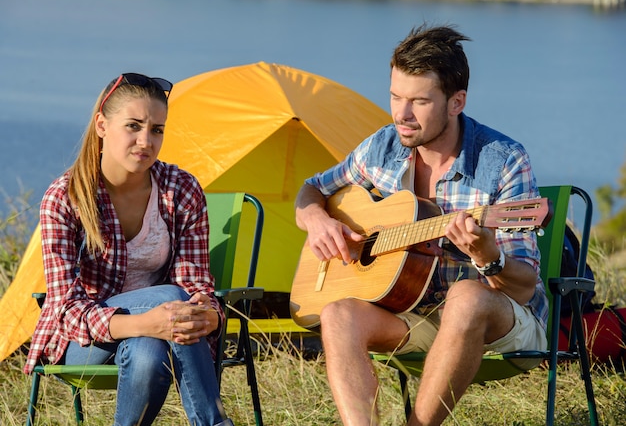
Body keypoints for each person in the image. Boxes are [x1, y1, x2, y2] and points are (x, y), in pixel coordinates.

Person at [294, 24, 548, 426]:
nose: (401, 114)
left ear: (455, 102)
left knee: (467, 295)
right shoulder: (382, 147)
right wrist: (316, 220)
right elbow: (312, 189)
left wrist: (487, 255)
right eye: (395, 96)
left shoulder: (503, 160)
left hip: (499, 321)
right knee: (338, 313)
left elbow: (524, 286)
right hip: (413, 312)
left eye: (419, 101)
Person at [24, 73, 234, 426]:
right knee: (170, 296)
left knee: (149, 350)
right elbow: (67, 310)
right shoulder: (65, 198)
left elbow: (195, 285)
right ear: (102, 125)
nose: (145, 141)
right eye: (133, 126)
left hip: (165, 331)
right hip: (83, 342)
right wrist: (143, 321)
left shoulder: (180, 189)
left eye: (156, 130)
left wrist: (210, 316)